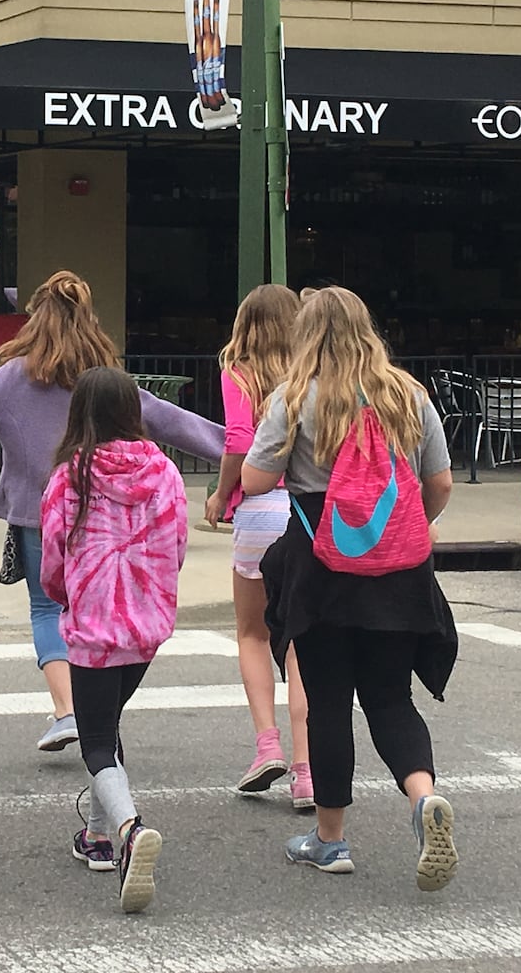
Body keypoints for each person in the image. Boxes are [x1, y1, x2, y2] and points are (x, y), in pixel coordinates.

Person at [242, 286, 459, 891]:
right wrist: (404, 529)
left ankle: (330, 841)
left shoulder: (294, 396)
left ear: (307, 334)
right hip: (401, 573)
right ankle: (423, 799)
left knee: (329, 703)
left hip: (322, 573)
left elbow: (257, 478)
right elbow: (438, 483)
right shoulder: (407, 393)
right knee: (391, 699)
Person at [0, 270, 223, 756]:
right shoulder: (106, 380)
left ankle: (68, 711)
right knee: (92, 614)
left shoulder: (10, 379)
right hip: (104, 518)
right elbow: (172, 421)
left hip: (38, 513)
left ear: (35, 319)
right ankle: (96, 714)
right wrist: (238, 451)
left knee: (46, 608)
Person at [40, 366, 187, 914]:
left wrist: (66, 595)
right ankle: (98, 838)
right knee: (110, 722)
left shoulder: (70, 477)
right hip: (146, 625)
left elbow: (53, 560)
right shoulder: (166, 473)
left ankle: (129, 828)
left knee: (95, 736)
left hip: (95, 627)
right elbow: (176, 544)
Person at [203, 284, 313, 809]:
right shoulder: (310, 373)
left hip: (257, 511)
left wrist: (222, 494)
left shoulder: (238, 371)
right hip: (305, 515)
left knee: (250, 633)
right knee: (299, 643)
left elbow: (238, 440)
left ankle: (266, 744)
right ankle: (307, 771)